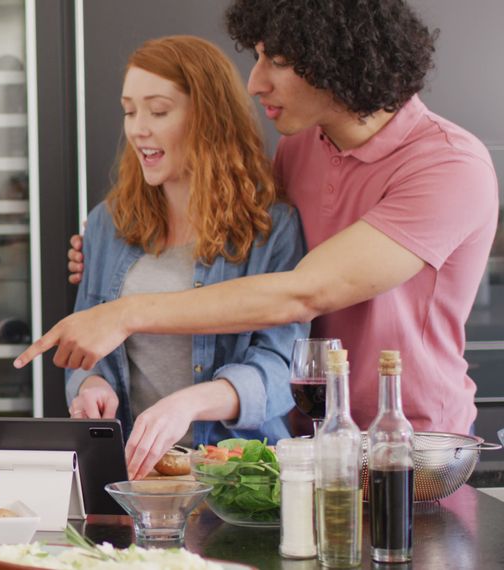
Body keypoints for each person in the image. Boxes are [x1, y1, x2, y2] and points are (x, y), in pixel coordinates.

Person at [29, 0, 498, 437]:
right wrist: (104, 260)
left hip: (405, 436)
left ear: (334, 56)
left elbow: (302, 292)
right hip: (306, 434)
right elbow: (242, 242)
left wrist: (125, 312)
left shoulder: (447, 165)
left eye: (275, 60)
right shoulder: (299, 148)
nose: (255, 83)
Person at [66, 36, 306, 479]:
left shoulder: (272, 228)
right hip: (134, 480)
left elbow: (281, 370)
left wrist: (190, 403)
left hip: (241, 479)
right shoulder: (107, 223)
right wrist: (90, 385)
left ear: (208, 118)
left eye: (158, 111)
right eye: (129, 110)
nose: (138, 128)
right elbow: (90, 339)